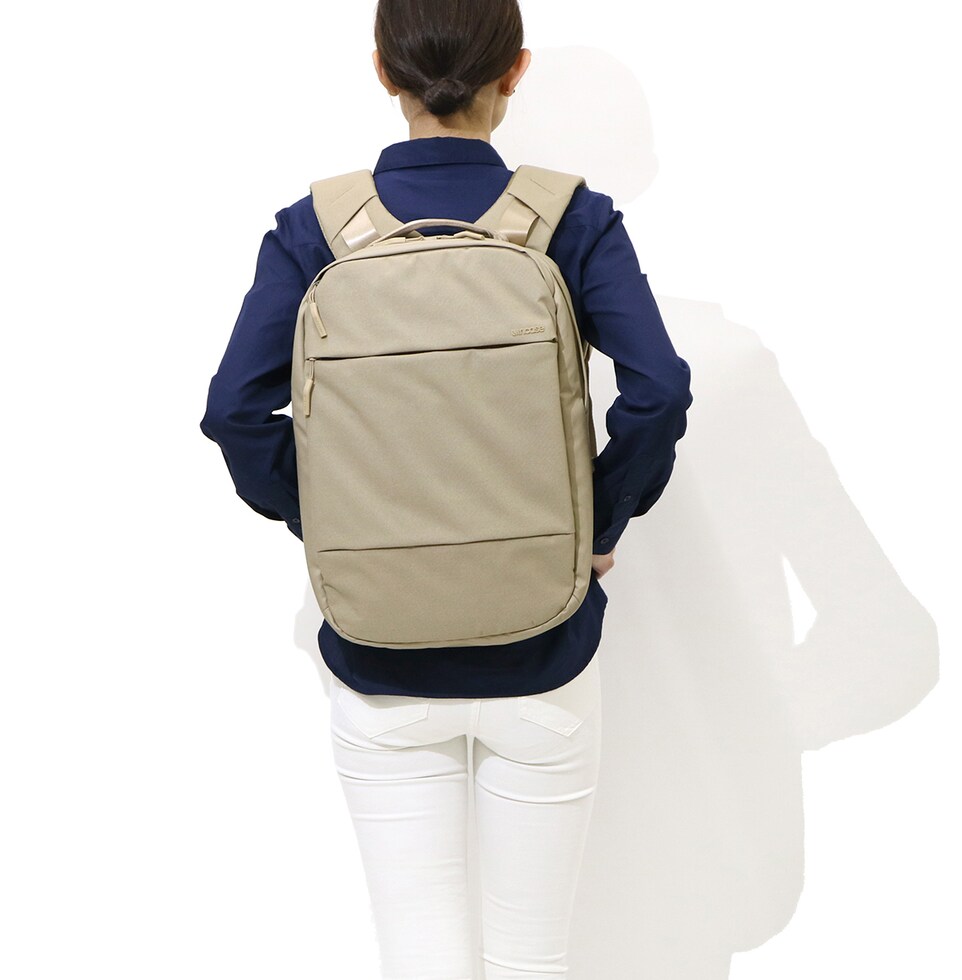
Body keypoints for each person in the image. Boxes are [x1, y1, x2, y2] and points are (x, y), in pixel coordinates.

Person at [200, 2, 693, 976]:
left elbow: (233, 413)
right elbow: (660, 392)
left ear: (382, 71)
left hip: (378, 656)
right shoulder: (571, 220)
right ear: (515, 70)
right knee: (531, 956)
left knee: (418, 953)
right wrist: (594, 521)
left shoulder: (316, 230)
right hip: (543, 651)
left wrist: (330, 520)